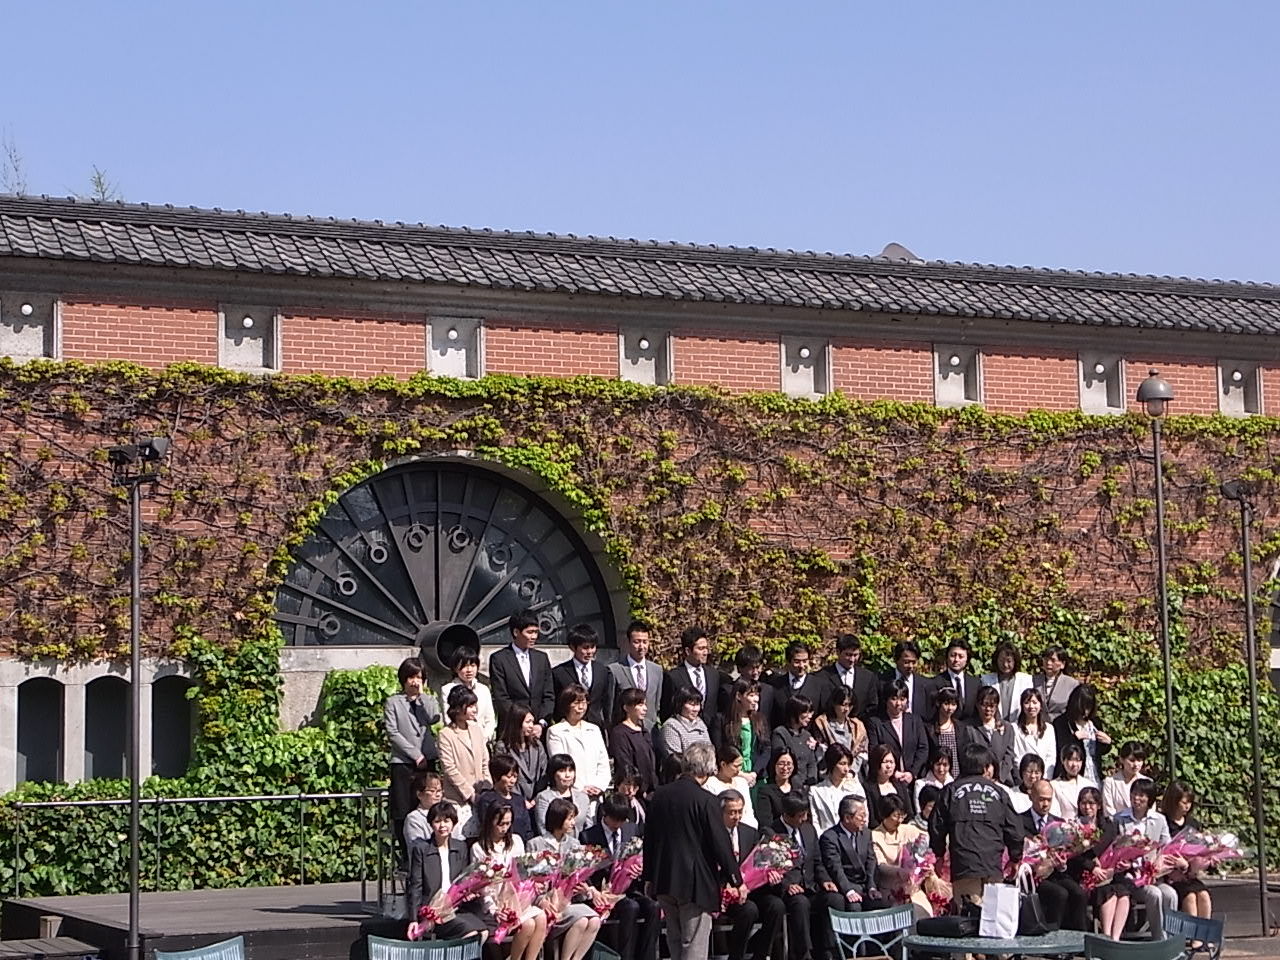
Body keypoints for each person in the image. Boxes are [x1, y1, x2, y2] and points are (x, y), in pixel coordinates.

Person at [643, 741, 745, 960]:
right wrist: (736, 879)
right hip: (695, 883)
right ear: (708, 768)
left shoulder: (659, 795)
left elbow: (649, 839)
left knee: (675, 939)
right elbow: (720, 843)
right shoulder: (706, 800)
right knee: (694, 943)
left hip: (664, 878)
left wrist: (649, 876)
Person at [928, 743, 1022, 907]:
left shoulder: (951, 791)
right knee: (993, 916)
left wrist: (939, 854)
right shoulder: (999, 793)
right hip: (992, 865)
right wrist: (1015, 858)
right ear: (985, 767)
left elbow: (936, 826)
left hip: (964, 865)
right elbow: (1015, 829)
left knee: (968, 916)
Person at [582, 793, 659, 960]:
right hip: (604, 892)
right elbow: (585, 871)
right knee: (631, 908)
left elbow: (641, 856)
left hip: (628, 888)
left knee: (653, 907)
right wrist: (595, 892)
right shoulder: (589, 836)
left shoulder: (631, 829)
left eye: (622, 820)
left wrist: (639, 869)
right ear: (606, 815)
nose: (619, 824)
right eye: (615, 820)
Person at [528, 798, 604, 960]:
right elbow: (529, 882)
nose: (573, 823)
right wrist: (541, 900)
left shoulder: (575, 844)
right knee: (581, 920)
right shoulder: (536, 844)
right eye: (569, 818)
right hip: (548, 905)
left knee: (594, 921)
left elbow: (578, 878)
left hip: (568, 902)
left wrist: (585, 890)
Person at [405, 800, 491, 943]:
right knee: (471, 935)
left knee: (484, 932)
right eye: (437, 821)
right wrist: (413, 919)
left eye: (446, 821)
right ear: (431, 824)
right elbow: (415, 886)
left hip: (456, 907)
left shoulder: (460, 847)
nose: (442, 826)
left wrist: (470, 891)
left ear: (453, 823)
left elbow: (463, 879)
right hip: (433, 912)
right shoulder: (421, 850)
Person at [470, 801, 547, 960]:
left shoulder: (516, 841)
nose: (504, 828)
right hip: (495, 904)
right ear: (491, 821)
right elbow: (481, 885)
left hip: (518, 901)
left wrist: (534, 885)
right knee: (528, 924)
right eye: (501, 824)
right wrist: (494, 910)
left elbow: (523, 872)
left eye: (508, 823)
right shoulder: (479, 848)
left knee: (541, 917)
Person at [384, 657, 440, 862]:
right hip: (403, 763)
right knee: (402, 809)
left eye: (419, 677)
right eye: (411, 677)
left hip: (428, 761)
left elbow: (434, 717)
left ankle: (431, 850)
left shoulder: (428, 700)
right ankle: (406, 857)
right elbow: (392, 732)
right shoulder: (393, 702)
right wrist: (415, 754)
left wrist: (422, 695)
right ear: (403, 679)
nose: (414, 681)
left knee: (429, 804)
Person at [719, 790, 786, 960]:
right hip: (725, 893)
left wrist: (771, 875)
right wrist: (727, 887)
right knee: (749, 910)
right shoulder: (713, 834)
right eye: (732, 812)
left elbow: (760, 863)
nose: (736, 817)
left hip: (751, 889)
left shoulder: (750, 833)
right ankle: (736, 957)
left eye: (739, 812)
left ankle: (762, 955)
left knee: (776, 906)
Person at [773, 792, 841, 960]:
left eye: (805, 814)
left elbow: (817, 861)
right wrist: (787, 884)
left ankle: (830, 950)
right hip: (789, 890)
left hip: (811, 885)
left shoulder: (809, 829)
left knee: (834, 899)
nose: (804, 819)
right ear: (787, 815)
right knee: (800, 904)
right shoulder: (772, 832)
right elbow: (769, 867)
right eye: (800, 816)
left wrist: (825, 880)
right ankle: (804, 953)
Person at [1021, 780, 1088, 931]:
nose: (1045, 804)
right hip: (1032, 876)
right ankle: (1051, 935)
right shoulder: (1019, 821)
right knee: (1059, 894)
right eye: (1041, 799)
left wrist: (1062, 864)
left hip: (1055, 873)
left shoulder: (1058, 823)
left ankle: (1080, 937)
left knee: (1079, 894)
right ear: (1031, 796)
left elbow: (1066, 851)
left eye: (1049, 800)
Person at [1115, 779, 1178, 940]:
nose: (1137, 799)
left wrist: (1159, 862)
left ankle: (1171, 938)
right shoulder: (1120, 818)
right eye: (1134, 794)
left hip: (1153, 876)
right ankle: (1159, 940)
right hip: (1130, 878)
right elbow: (1114, 848)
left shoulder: (1159, 820)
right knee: (1154, 894)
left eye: (1142, 795)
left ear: (1150, 799)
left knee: (1170, 894)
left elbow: (1167, 847)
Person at [1068, 785, 1132, 940]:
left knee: (1123, 893)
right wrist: (1092, 867)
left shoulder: (1109, 825)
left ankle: (1115, 939)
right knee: (1108, 892)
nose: (1087, 807)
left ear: (1099, 805)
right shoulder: (1073, 826)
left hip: (1110, 873)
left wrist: (1119, 865)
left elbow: (1116, 848)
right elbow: (1072, 855)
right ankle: (1106, 937)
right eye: (1083, 803)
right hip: (1085, 876)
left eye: (1091, 803)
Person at [870, 794, 933, 920]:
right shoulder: (875, 836)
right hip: (891, 891)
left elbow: (924, 850)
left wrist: (925, 865)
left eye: (902, 815)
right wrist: (901, 872)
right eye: (895, 816)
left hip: (913, 888)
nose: (899, 820)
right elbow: (881, 865)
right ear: (884, 815)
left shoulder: (910, 830)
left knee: (924, 913)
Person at [488, 609, 555, 726]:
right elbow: (501, 697)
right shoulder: (499, 659)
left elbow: (549, 695)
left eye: (536, 632)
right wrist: (522, 721)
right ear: (516, 632)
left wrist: (541, 722)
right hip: (512, 727)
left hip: (538, 727)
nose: (534, 636)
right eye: (529, 632)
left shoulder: (541, 658)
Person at [437, 685, 490, 836]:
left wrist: (487, 787)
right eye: (470, 706)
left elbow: (485, 761)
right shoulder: (446, 734)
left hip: (481, 797)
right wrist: (469, 793)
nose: (475, 710)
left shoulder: (476, 729)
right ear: (458, 708)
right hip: (457, 801)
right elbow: (449, 768)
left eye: (475, 705)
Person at [546, 683, 611, 799]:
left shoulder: (594, 729)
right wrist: (580, 789)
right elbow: (561, 766)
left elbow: (603, 762)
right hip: (571, 795)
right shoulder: (556, 731)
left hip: (596, 794)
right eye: (576, 703)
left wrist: (599, 786)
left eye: (584, 703)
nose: (581, 707)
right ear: (566, 705)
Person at [1161, 781, 1214, 921]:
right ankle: (1192, 932)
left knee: (1204, 895)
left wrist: (1207, 859)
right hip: (1171, 875)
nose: (1187, 806)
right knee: (1189, 897)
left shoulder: (1192, 823)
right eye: (1183, 802)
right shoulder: (1163, 821)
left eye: (1189, 802)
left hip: (1190, 874)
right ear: (1173, 801)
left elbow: (1200, 848)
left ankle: (1204, 932)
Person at [819, 795, 882, 911]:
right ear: (847, 818)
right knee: (854, 906)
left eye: (865, 816)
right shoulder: (830, 838)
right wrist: (848, 891)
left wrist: (871, 886)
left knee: (882, 903)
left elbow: (871, 861)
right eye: (861, 816)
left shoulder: (866, 833)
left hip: (864, 884)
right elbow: (835, 868)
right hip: (845, 885)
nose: (864, 820)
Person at [662, 626, 723, 743]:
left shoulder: (713, 674)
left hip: (710, 735)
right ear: (688, 651)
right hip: (684, 735)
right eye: (700, 648)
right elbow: (667, 711)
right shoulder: (674, 676)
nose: (705, 652)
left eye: (706, 648)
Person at [551, 623, 615, 730]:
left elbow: (607, 701)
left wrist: (607, 724)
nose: (589, 652)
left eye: (592, 647)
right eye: (585, 648)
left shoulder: (603, 671)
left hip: (595, 727)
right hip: (568, 727)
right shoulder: (559, 672)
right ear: (573, 647)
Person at [867, 680, 929, 781]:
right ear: (886, 699)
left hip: (913, 778)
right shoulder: (875, 722)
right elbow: (874, 751)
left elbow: (923, 748)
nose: (898, 703)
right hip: (887, 778)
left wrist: (912, 773)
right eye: (894, 699)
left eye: (902, 699)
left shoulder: (915, 720)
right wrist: (893, 772)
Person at [609, 619, 664, 732]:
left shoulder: (657, 670)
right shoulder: (615, 670)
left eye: (645, 642)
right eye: (637, 642)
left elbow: (657, 704)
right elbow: (610, 707)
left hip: (650, 731)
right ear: (628, 642)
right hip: (625, 731)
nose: (641, 646)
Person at [492, 707, 547, 817]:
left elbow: (544, 771)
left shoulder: (537, 745)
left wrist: (536, 798)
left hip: (536, 801)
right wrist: (520, 799)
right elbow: (503, 775)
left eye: (532, 722)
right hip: (514, 801)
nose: (531, 726)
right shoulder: (503, 747)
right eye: (527, 722)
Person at [1052, 683, 1112, 786]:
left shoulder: (1095, 723)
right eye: (1083, 707)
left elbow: (1099, 752)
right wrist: (1074, 738)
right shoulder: (1061, 723)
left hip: (1094, 774)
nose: (1086, 711)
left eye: (1089, 707)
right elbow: (1060, 749)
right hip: (1072, 777)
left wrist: (1107, 742)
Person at [818, 633, 880, 721]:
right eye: (848, 655)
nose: (852, 659)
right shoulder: (822, 676)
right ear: (838, 652)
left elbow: (872, 706)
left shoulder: (868, 677)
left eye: (855, 655)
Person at [721, 676, 770, 789]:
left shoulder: (760, 719)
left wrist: (754, 773)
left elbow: (766, 748)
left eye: (757, 695)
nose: (756, 699)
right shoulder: (723, 720)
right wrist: (741, 774)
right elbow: (721, 749)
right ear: (739, 696)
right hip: (733, 777)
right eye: (751, 695)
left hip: (756, 777)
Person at [609, 687, 658, 798]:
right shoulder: (619, 733)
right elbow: (624, 764)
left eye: (645, 704)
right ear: (626, 707)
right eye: (640, 705)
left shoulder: (644, 731)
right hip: (632, 792)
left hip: (650, 792)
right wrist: (636, 786)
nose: (645, 709)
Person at [472, 752, 533, 840]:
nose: (512, 781)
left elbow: (527, 829)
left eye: (515, 776)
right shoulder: (487, 800)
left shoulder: (519, 800)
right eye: (508, 777)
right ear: (497, 777)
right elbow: (487, 828)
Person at [440, 648, 497, 741]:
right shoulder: (448, 689)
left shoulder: (483, 689)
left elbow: (490, 719)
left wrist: (484, 738)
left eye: (473, 665)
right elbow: (448, 719)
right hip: (460, 740)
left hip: (483, 740)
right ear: (456, 668)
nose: (469, 670)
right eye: (465, 666)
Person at [808, 743, 866, 834]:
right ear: (832, 764)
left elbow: (864, 816)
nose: (846, 769)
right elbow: (815, 822)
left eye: (848, 764)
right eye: (842, 764)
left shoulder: (855, 788)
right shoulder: (816, 791)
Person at [965, 685, 1017, 785]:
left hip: (1002, 780)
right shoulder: (969, 728)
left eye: (992, 706)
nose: (988, 709)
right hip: (977, 780)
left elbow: (1009, 755)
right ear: (977, 705)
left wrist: (999, 777)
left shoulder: (1007, 727)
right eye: (984, 705)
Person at [771, 642, 830, 728]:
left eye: (805, 661)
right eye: (797, 662)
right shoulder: (776, 685)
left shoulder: (820, 685)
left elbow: (824, 716)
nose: (801, 666)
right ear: (788, 661)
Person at [534, 753, 591, 837]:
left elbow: (589, 827)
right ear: (553, 774)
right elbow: (542, 828)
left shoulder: (583, 797)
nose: (567, 775)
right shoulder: (544, 797)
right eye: (562, 771)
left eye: (570, 770)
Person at [814, 685, 868, 775]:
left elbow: (862, 753)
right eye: (843, 705)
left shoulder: (858, 726)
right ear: (834, 704)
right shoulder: (822, 723)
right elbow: (821, 753)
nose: (847, 709)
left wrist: (851, 772)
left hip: (853, 775)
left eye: (850, 705)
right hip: (829, 774)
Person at [723, 643, 776, 732]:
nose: (755, 672)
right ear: (740, 668)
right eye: (751, 668)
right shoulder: (729, 690)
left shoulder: (768, 691)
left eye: (758, 667)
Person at [771, 694, 822, 785]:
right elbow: (781, 763)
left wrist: (811, 782)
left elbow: (811, 763)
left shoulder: (807, 735)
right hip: (788, 785)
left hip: (807, 786)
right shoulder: (780, 733)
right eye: (806, 712)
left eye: (810, 712)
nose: (810, 716)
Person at [704, 743, 759, 828]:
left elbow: (748, 811)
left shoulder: (742, 782)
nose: (739, 769)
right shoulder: (710, 785)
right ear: (723, 764)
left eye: (741, 765)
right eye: (736, 766)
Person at [980, 641, 1034, 723]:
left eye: (1009, 661)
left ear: (1015, 661)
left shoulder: (1026, 680)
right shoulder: (986, 680)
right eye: (1001, 660)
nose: (1005, 664)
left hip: (1019, 726)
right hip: (993, 725)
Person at [862, 743, 915, 826]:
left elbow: (909, 812)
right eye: (885, 762)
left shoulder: (900, 785)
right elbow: (872, 818)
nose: (889, 766)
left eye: (891, 762)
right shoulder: (868, 788)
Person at [755, 748, 807, 828]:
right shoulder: (765, 791)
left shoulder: (799, 788)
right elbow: (765, 823)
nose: (785, 768)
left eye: (789, 764)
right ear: (774, 765)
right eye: (781, 764)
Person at [1012, 687, 1058, 778]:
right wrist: (1027, 775)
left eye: (1034, 702)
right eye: (1027, 703)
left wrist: (1043, 778)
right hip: (1024, 777)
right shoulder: (1014, 728)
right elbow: (1015, 756)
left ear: (1040, 705)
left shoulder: (1049, 729)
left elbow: (1051, 757)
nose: (1031, 706)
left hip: (1043, 777)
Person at [932, 639, 979, 721]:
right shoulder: (936, 682)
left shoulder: (975, 683)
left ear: (967, 659)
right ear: (947, 657)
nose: (956, 660)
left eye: (961, 656)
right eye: (953, 655)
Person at [881, 640, 930, 718]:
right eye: (906, 662)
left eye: (914, 662)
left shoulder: (926, 685)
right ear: (896, 660)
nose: (910, 666)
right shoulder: (882, 682)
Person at [660, 686, 712, 759]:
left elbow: (710, 751)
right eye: (691, 704)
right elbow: (675, 759)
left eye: (697, 704)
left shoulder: (700, 723)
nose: (695, 709)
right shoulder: (671, 726)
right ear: (680, 705)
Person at [1103, 741, 1151, 819]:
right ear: (1122, 759)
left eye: (1139, 760)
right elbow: (1109, 811)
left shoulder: (1148, 782)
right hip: (1117, 824)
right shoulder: (1110, 782)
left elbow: (1150, 810)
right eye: (1132, 760)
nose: (1136, 765)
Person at [1033, 645, 1080, 723]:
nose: (1048, 663)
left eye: (1053, 660)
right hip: (1038, 725)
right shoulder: (1034, 680)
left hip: (1061, 726)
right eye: (1046, 659)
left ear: (1062, 664)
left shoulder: (1072, 684)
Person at [1051, 743, 1097, 820]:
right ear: (1063, 760)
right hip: (1063, 825)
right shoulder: (1054, 785)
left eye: (1078, 760)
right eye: (1071, 760)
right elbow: (1054, 813)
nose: (1074, 764)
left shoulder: (1089, 784)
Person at [925, 686, 965, 774]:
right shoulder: (929, 728)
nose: (950, 708)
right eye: (946, 704)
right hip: (937, 772)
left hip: (957, 772)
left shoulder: (960, 727)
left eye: (953, 704)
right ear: (938, 703)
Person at [403, 770, 445, 844]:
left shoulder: (447, 813)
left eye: (439, 791)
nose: (438, 795)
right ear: (419, 794)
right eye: (432, 791)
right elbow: (417, 847)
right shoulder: (414, 819)